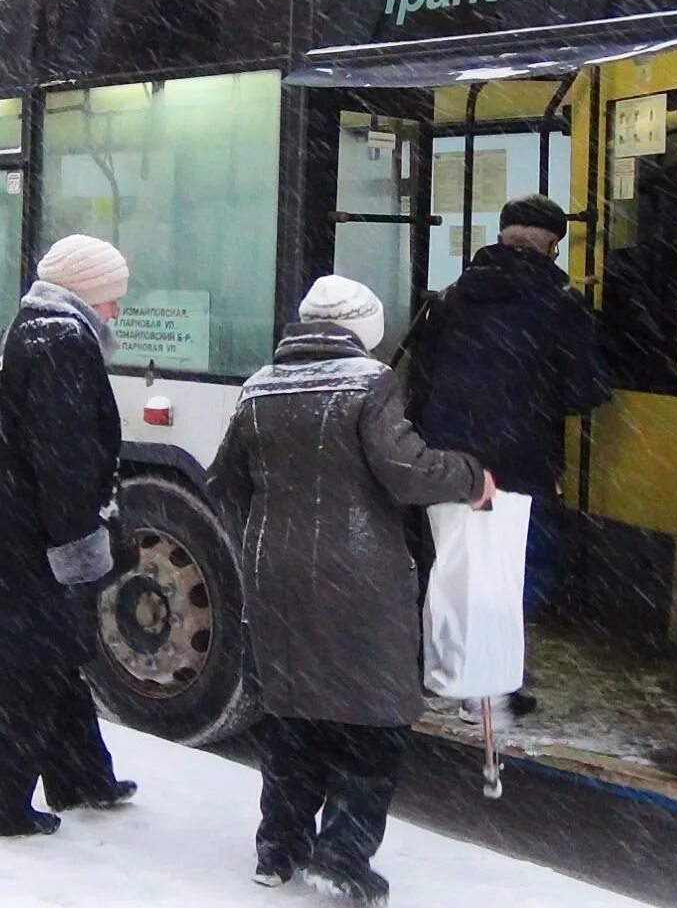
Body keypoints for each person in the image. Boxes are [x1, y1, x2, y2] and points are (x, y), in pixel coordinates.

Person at [209, 275, 493, 905]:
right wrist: (471, 476)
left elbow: (223, 486)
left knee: (294, 712)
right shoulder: (368, 383)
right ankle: (342, 856)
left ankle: (277, 849)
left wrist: (271, 543)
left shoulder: (259, 387)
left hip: (275, 577)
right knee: (374, 722)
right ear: (363, 328)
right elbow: (408, 472)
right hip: (356, 579)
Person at [0, 234, 139, 838]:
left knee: (54, 659)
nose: (117, 311)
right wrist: (81, 547)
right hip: (30, 543)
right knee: (29, 673)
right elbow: (63, 458)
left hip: (5, 535)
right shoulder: (61, 342)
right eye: (112, 299)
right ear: (87, 294)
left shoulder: (29, 328)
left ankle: (82, 778)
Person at [403, 193, 610, 724]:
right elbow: (581, 393)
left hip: (445, 459)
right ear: (553, 244)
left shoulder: (449, 297)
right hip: (519, 463)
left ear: (501, 235)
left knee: (454, 566)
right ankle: (487, 691)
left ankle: (444, 669)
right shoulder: (561, 305)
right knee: (519, 571)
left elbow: (418, 384)